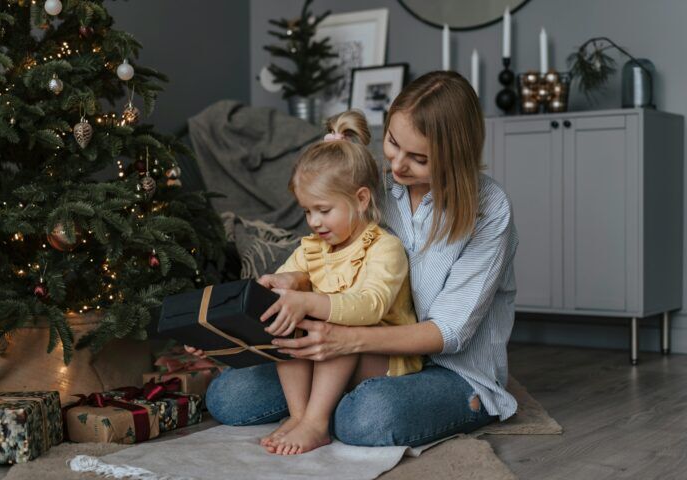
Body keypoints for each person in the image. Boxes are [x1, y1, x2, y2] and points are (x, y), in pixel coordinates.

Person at [187, 70, 519, 448]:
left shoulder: (489, 210)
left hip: (450, 370)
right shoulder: (373, 185)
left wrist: (346, 340)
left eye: (419, 159)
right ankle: (320, 409)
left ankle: (334, 410)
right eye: (393, 143)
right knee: (229, 395)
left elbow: (450, 333)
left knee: (368, 417)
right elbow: (322, 256)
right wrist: (289, 285)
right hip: (362, 352)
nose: (397, 166)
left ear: (455, 157)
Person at [250, 110, 423, 455]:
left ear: (360, 199)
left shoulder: (383, 247)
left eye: (323, 210)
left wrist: (310, 302)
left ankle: (316, 421)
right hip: (329, 356)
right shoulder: (313, 248)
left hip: (383, 357)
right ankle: (302, 416)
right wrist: (279, 283)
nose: (314, 221)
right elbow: (290, 279)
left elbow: (370, 305)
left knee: (329, 320)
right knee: (287, 319)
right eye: (306, 211)